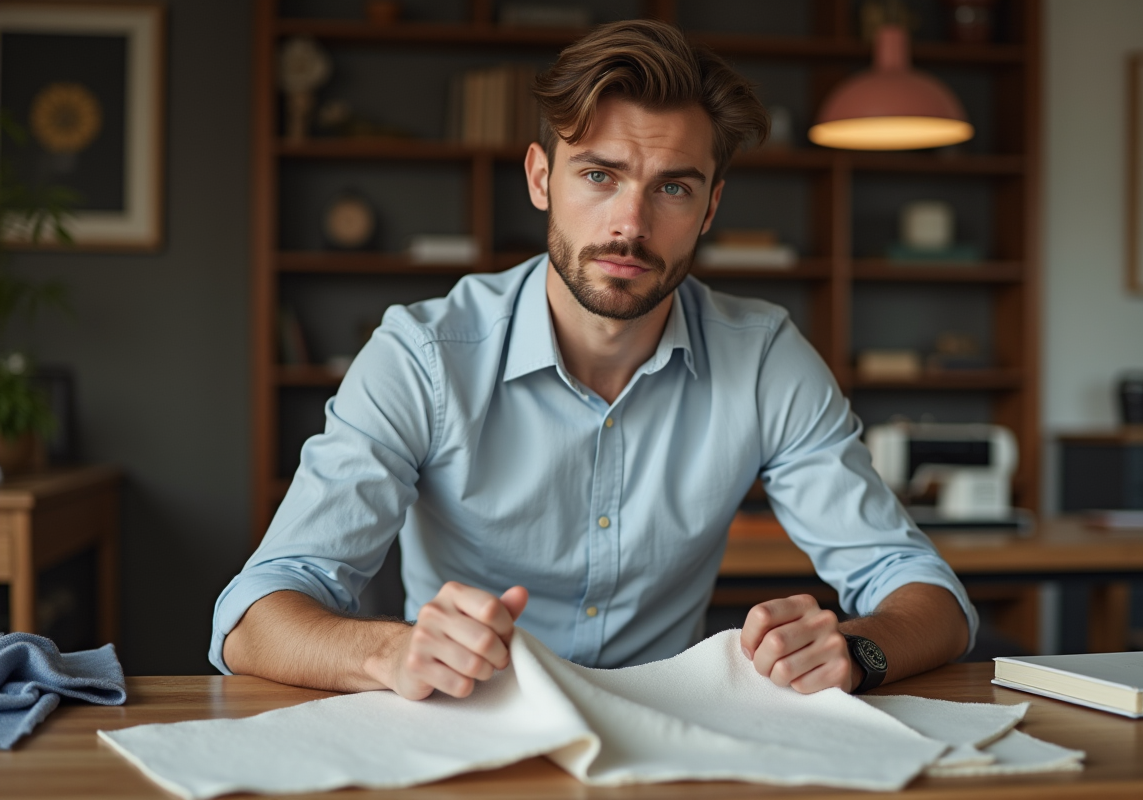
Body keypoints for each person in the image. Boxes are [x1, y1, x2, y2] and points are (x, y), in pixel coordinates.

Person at [213, 19, 976, 701]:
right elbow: (252, 620)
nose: (629, 224)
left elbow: (926, 595)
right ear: (541, 178)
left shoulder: (764, 357)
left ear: (709, 208)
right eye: (599, 175)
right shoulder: (423, 356)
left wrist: (856, 650)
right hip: (465, 723)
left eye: (672, 187)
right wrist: (392, 651)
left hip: (668, 733)